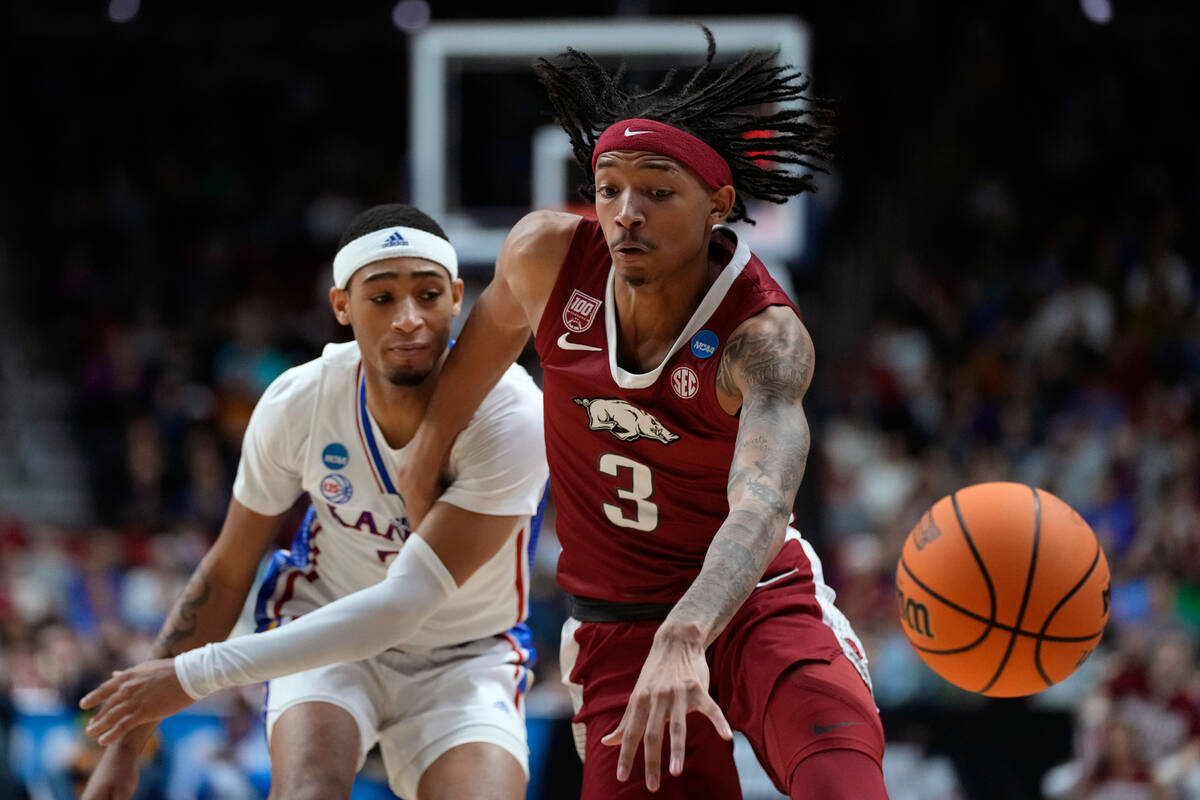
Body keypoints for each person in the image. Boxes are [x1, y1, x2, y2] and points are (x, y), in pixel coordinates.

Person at [394, 32, 887, 800]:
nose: (626, 213)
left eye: (657, 193)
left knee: (843, 783)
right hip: (617, 627)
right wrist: (423, 457)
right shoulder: (548, 257)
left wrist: (690, 633)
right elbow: (465, 378)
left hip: (753, 601)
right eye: (610, 188)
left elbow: (762, 506)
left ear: (719, 204)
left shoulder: (763, 338)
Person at [80, 203, 548, 800]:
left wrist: (195, 676)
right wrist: (126, 748)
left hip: (465, 657)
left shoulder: (511, 414)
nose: (409, 319)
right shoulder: (297, 401)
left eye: (428, 295)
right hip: (325, 629)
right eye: (381, 299)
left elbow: (400, 607)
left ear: (457, 297)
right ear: (342, 306)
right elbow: (227, 570)